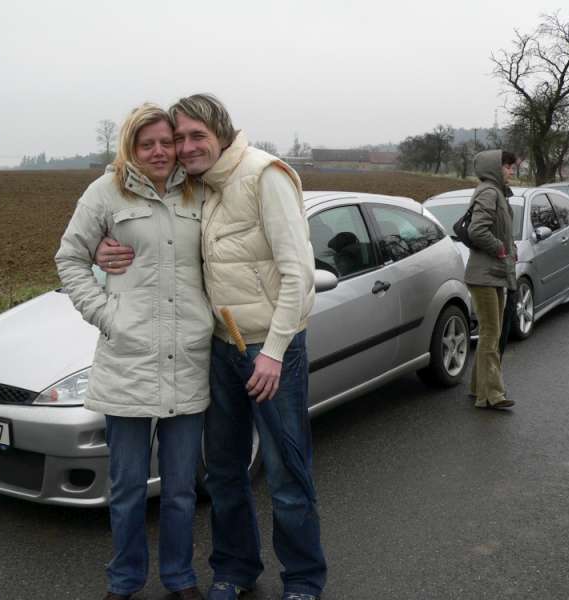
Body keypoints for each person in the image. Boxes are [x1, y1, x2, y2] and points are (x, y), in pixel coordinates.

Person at [97, 94, 326, 600]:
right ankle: (235, 569)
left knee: (286, 471)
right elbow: (141, 209)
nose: (184, 147)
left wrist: (274, 352)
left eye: (195, 136)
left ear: (221, 133)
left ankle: (303, 579)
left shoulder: (265, 175)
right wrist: (100, 247)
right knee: (223, 471)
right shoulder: (197, 185)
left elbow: (299, 272)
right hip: (220, 346)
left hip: (270, 349)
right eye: (179, 137)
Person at [55, 103, 212, 600]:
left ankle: (180, 577)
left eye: (167, 142)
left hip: (187, 359)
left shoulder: (200, 191)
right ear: (131, 147)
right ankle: (124, 580)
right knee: (126, 489)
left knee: (181, 489)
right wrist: (107, 315)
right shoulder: (104, 193)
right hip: (128, 363)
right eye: (148, 145)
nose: (160, 152)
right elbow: (70, 259)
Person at [464, 149, 518, 410]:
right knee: (490, 333)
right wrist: (500, 249)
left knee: (490, 332)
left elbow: (501, 230)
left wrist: (510, 250)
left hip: (493, 273)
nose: (511, 171)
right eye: (507, 166)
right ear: (495, 168)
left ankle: (478, 387)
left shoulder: (497, 193)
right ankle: (492, 394)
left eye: (511, 166)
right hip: (484, 274)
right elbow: (477, 230)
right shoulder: (489, 192)